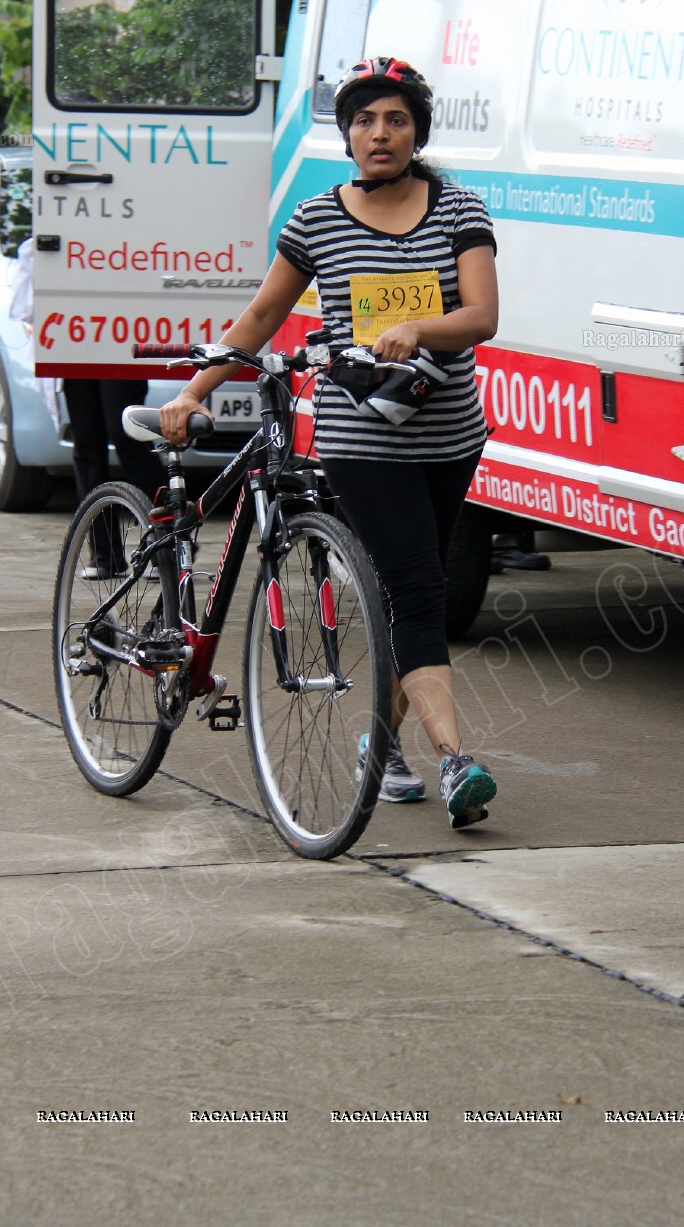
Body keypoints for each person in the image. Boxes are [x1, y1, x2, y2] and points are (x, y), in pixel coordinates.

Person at [159, 56, 499, 828]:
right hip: (360, 436)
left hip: (448, 432)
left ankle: (383, 755)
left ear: (417, 133)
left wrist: (419, 327)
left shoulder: (458, 210)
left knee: (410, 596)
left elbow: (481, 315)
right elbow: (257, 321)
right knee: (416, 590)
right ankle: (456, 760)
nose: (380, 134)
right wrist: (191, 393)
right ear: (346, 134)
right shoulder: (317, 219)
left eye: (396, 120)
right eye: (366, 121)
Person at [65, 375, 164, 578]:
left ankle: (164, 546)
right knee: (86, 441)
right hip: (77, 351)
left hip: (117, 349)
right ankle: (104, 556)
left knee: (127, 435)